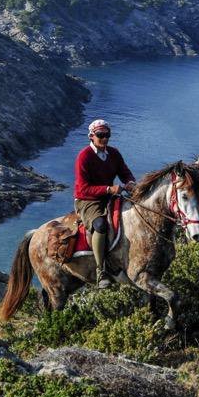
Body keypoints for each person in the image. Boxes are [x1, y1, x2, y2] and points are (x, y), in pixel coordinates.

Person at [74, 119, 136, 289]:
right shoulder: (84, 156)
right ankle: (101, 270)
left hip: (108, 197)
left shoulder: (114, 153)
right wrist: (109, 189)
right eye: (100, 135)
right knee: (100, 225)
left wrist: (130, 182)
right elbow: (84, 188)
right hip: (87, 201)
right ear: (92, 136)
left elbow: (125, 172)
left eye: (107, 135)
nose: (104, 138)